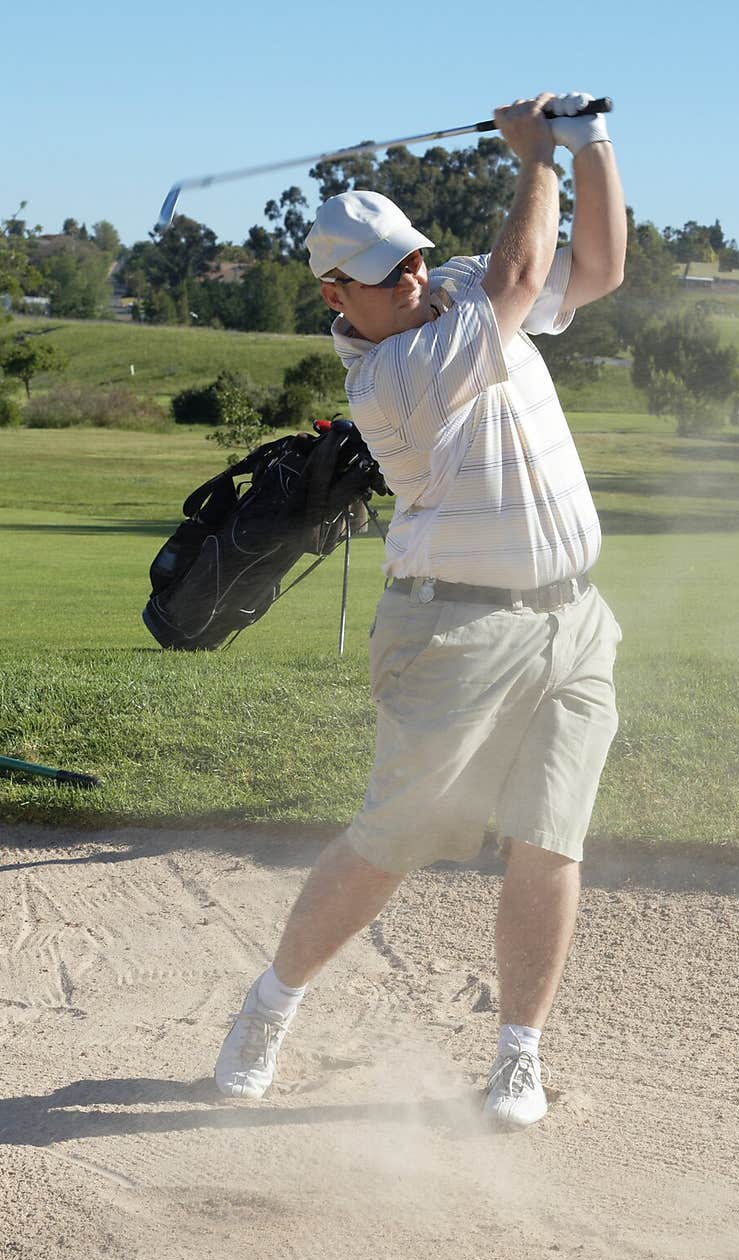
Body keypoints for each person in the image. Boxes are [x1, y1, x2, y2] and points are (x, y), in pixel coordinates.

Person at [214, 92, 627, 1128]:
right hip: (453, 631)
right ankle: (272, 1003)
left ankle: (516, 1054)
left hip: (571, 620)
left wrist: (589, 147)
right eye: (377, 276)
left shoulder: (445, 295)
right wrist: (531, 157)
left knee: (550, 837)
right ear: (331, 300)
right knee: (394, 839)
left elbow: (595, 270)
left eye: (408, 258)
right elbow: (522, 273)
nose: (404, 278)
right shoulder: (392, 374)